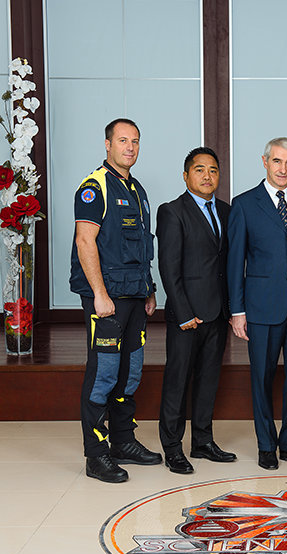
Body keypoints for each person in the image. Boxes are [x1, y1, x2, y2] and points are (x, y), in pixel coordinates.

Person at [70, 118, 161, 483]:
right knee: (104, 374)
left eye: (135, 141)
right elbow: (85, 241)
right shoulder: (95, 187)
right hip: (107, 299)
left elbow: (141, 246)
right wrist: (99, 294)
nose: (130, 147)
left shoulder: (137, 189)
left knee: (130, 373)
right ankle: (96, 455)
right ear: (107, 144)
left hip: (135, 296)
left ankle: (124, 442)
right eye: (123, 140)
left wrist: (149, 289)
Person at [227, 137, 287, 470]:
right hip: (260, 307)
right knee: (262, 377)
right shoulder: (244, 204)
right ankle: (266, 445)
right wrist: (237, 310)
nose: (283, 168)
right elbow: (235, 261)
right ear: (265, 161)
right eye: (277, 161)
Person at [156, 147, 236, 474]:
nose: (207, 176)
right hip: (186, 315)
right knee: (178, 381)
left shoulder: (227, 211)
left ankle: (202, 441)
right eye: (200, 170)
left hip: (217, 313)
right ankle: (172, 448)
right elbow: (168, 267)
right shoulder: (172, 211)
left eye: (213, 170)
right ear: (186, 175)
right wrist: (183, 311)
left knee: (208, 380)